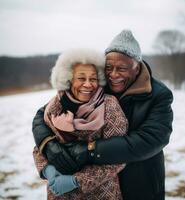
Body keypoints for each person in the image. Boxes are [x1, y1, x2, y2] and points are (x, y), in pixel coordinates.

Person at [32, 30, 173, 200]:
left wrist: (89, 150)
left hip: (139, 180)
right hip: (95, 187)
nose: (113, 75)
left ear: (137, 68)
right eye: (109, 67)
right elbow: (43, 116)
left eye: (121, 68)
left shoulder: (158, 94)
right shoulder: (96, 84)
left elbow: (150, 139)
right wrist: (48, 145)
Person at [32, 48, 128, 199]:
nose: (88, 85)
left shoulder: (109, 106)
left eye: (93, 79)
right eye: (81, 78)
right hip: (59, 194)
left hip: (101, 194)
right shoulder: (54, 106)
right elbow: (40, 146)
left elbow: (119, 156)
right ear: (69, 79)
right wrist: (47, 170)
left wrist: (77, 181)